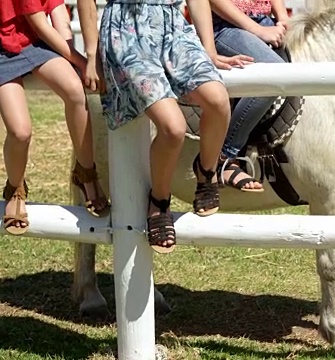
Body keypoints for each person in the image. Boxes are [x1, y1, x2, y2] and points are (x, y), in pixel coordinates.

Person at [76, 0, 251, 254]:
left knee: (219, 102)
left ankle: (207, 171)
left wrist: (209, 48)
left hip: (174, 27)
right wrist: (92, 53)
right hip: (126, 31)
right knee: (173, 128)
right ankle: (159, 201)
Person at [0, 0, 111, 236]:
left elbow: (57, 12)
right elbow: (39, 23)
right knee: (20, 132)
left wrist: (78, 63)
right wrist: (83, 62)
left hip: (32, 41)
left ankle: (86, 172)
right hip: (3, 47)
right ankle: (15, 188)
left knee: (75, 91)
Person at [208, 0, 292, 193]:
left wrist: (282, 17)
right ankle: (223, 157)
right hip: (225, 26)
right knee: (274, 74)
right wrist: (257, 30)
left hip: (264, 20)